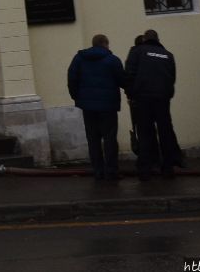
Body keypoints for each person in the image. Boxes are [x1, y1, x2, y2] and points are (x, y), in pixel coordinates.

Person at [124, 29, 181, 179]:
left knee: (145, 134)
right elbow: (172, 77)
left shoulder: (137, 52)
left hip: (142, 99)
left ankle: (145, 169)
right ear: (158, 39)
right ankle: (168, 168)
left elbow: (129, 73)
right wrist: (167, 95)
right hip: (162, 99)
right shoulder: (168, 55)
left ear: (144, 39)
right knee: (165, 132)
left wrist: (131, 94)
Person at [68, 34, 126, 180]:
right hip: (108, 106)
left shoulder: (79, 59)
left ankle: (98, 170)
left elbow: (72, 79)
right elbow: (123, 81)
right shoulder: (112, 60)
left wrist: (78, 97)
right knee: (110, 138)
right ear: (105, 44)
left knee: (93, 139)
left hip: (88, 106)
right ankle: (111, 170)